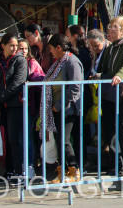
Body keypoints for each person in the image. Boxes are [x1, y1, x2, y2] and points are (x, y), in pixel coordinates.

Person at [96, 16, 123, 181]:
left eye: (114, 27)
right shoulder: (110, 47)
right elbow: (103, 67)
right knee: (109, 129)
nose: (110, 29)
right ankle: (116, 164)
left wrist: (120, 76)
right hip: (109, 93)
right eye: (109, 26)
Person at [42, 34, 84, 183]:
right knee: (60, 140)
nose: (51, 52)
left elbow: (74, 88)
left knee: (64, 140)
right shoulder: (59, 61)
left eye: (52, 49)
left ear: (59, 48)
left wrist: (59, 106)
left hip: (68, 109)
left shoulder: (72, 62)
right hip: (57, 109)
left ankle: (73, 170)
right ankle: (62, 171)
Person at [0, 33, 28, 181]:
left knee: (15, 139)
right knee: (5, 139)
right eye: (11, 45)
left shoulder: (20, 61)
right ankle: (9, 169)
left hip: (16, 104)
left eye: (16, 46)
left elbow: (17, 84)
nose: (14, 48)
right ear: (3, 45)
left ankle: (19, 171)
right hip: (1, 106)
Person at [18, 39, 45, 171]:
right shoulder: (14, 62)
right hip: (18, 106)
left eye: (25, 48)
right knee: (21, 137)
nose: (22, 51)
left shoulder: (32, 63)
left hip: (30, 105)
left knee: (27, 136)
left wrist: (30, 79)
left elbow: (41, 79)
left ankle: (30, 165)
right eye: (20, 48)